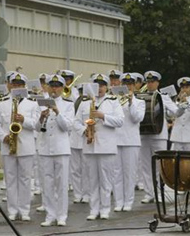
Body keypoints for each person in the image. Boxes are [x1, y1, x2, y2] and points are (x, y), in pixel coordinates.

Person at [75, 74, 124, 220]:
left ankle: (104, 209)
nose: (100, 88)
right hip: (90, 145)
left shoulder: (113, 102)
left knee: (105, 180)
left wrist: (103, 116)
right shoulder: (85, 103)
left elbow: (120, 121)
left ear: (107, 87)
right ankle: (93, 209)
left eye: (103, 85)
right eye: (97, 85)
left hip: (106, 146)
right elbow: (76, 122)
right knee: (92, 180)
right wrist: (84, 131)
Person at [0, 72, 38, 221]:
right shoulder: (2, 102)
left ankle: (24, 210)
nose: (16, 86)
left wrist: (23, 119)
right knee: (10, 179)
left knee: (25, 180)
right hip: (8, 145)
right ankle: (12, 210)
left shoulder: (32, 103)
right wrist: (2, 136)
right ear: (8, 85)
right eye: (14, 84)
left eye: (19, 84)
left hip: (26, 146)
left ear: (24, 86)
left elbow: (36, 125)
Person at [35, 74, 74, 227]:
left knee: (62, 184)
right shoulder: (41, 104)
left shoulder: (68, 104)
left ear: (62, 88)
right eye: (52, 85)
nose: (54, 88)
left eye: (57, 86)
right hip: (45, 148)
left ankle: (62, 215)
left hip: (61, 148)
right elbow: (37, 128)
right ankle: (50, 215)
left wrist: (57, 112)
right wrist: (41, 117)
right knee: (47, 184)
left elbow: (67, 127)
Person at [138, 71, 179, 204]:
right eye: (148, 82)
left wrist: (183, 107)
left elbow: (175, 111)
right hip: (144, 134)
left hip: (159, 134)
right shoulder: (140, 97)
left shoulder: (163, 97)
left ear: (157, 83)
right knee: (145, 166)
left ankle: (159, 193)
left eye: (152, 82)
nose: (150, 84)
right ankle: (149, 193)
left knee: (159, 166)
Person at [112, 72, 145, 212]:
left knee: (129, 173)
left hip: (131, 141)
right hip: (116, 139)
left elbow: (137, 118)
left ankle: (128, 201)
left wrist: (131, 102)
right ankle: (119, 202)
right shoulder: (114, 100)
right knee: (117, 173)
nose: (128, 86)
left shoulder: (140, 102)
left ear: (134, 85)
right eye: (125, 84)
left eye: (130, 84)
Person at [169, 77, 190, 151]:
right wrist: (178, 103)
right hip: (177, 136)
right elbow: (171, 114)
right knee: (176, 161)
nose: (184, 89)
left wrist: (187, 102)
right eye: (182, 87)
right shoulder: (177, 101)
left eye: (187, 87)